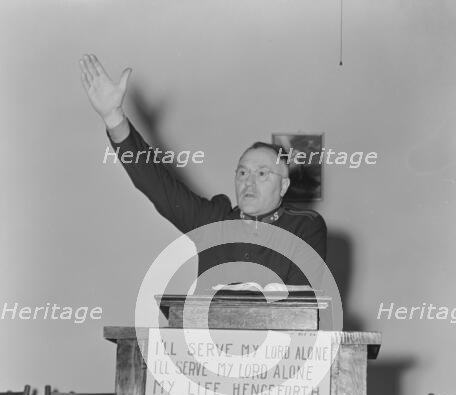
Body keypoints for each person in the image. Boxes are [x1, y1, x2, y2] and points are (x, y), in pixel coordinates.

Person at [79, 54, 327, 288]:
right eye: (242, 173)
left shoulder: (304, 226)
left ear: (283, 186)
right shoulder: (213, 221)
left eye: (262, 173)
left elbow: (300, 303)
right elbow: (156, 184)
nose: (248, 183)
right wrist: (114, 118)